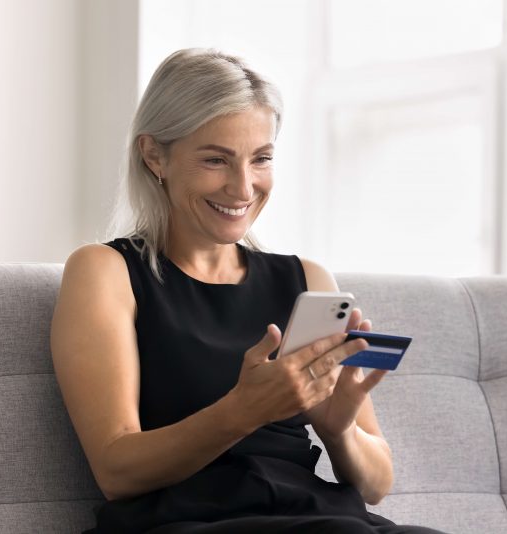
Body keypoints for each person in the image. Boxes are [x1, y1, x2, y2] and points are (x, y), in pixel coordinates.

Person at [50, 49, 449, 534]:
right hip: (190, 521)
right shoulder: (105, 271)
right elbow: (117, 472)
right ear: (154, 155)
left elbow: (376, 484)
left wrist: (337, 428)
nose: (243, 189)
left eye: (261, 159)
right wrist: (243, 411)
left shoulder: (307, 280)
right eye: (215, 160)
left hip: (319, 515)